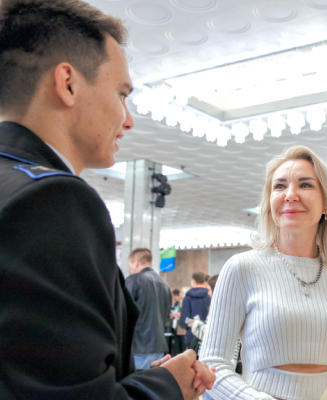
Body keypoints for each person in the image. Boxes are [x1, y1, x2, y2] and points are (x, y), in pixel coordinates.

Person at [0, 1, 214, 398]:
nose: (128, 119)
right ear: (68, 83)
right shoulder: (53, 201)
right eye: (121, 94)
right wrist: (168, 386)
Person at [199, 145, 327, 400]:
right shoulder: (241, 268)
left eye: (305, 185)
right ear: (269, 202)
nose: (290, 194)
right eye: (279, 186)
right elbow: (212, 363)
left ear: (326, 202)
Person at [125, 248, 172, 370]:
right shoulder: (165, 284)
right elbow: (167, 316)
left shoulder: (134, 280)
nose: (130, 268)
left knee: (134, 386)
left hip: (137, 348)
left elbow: (122, 313)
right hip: (158, 348)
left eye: (129, 264)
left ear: (135, 263)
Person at [180, 272, 211, 349]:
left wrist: (193, 323)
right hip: (208, 335)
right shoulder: (209, 296)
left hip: (192, 335)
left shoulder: (187, 298)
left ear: (193, 281)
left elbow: (184, 320)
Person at [169, 289, 186, 356]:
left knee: (182, 345)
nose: (180, 296)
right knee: (176, 344)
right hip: (175, 326)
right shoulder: (176, 303)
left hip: (181, 327)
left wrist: (181, 315)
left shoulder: (184, 303)